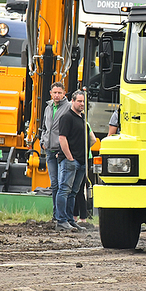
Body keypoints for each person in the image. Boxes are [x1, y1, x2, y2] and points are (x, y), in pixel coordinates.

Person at [55, 90, 96, 232]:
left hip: (82, 161)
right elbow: (62, 138)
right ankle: (61, 220)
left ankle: (70, 220)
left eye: (83, 101)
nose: (82, 104)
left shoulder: (83, 119)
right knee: (64, 190)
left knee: (73, 192)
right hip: (71, 161)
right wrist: (70, 157)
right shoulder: (67, 117)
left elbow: (93, 139)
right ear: (72, 101)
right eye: (79, 101)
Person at [40, 82, 71, 222]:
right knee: (54, 184)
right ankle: (55, 214)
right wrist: (43, 141)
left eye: (59, 92)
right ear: (50, 93)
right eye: (55, 92)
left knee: (61, 184)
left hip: (61, 151)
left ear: (64, 93)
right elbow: (45, 127)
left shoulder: (68, 107)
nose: (57, 95)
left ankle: (62, 216)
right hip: (49, 150)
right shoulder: (48, 107)